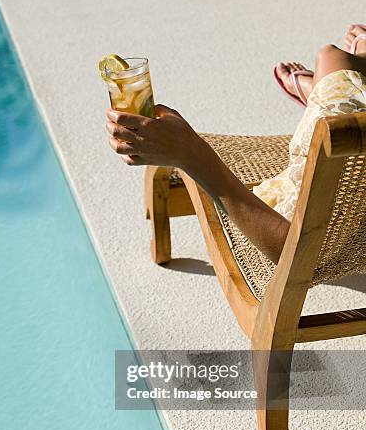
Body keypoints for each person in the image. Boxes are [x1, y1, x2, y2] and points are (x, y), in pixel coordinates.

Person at [105, 25, 366, 264]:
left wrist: (189, 153)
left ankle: (322, 90)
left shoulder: (333, 189)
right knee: (338, 61)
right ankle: (321, 89)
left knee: (332, 56)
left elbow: (297, 254)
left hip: (324, 184)